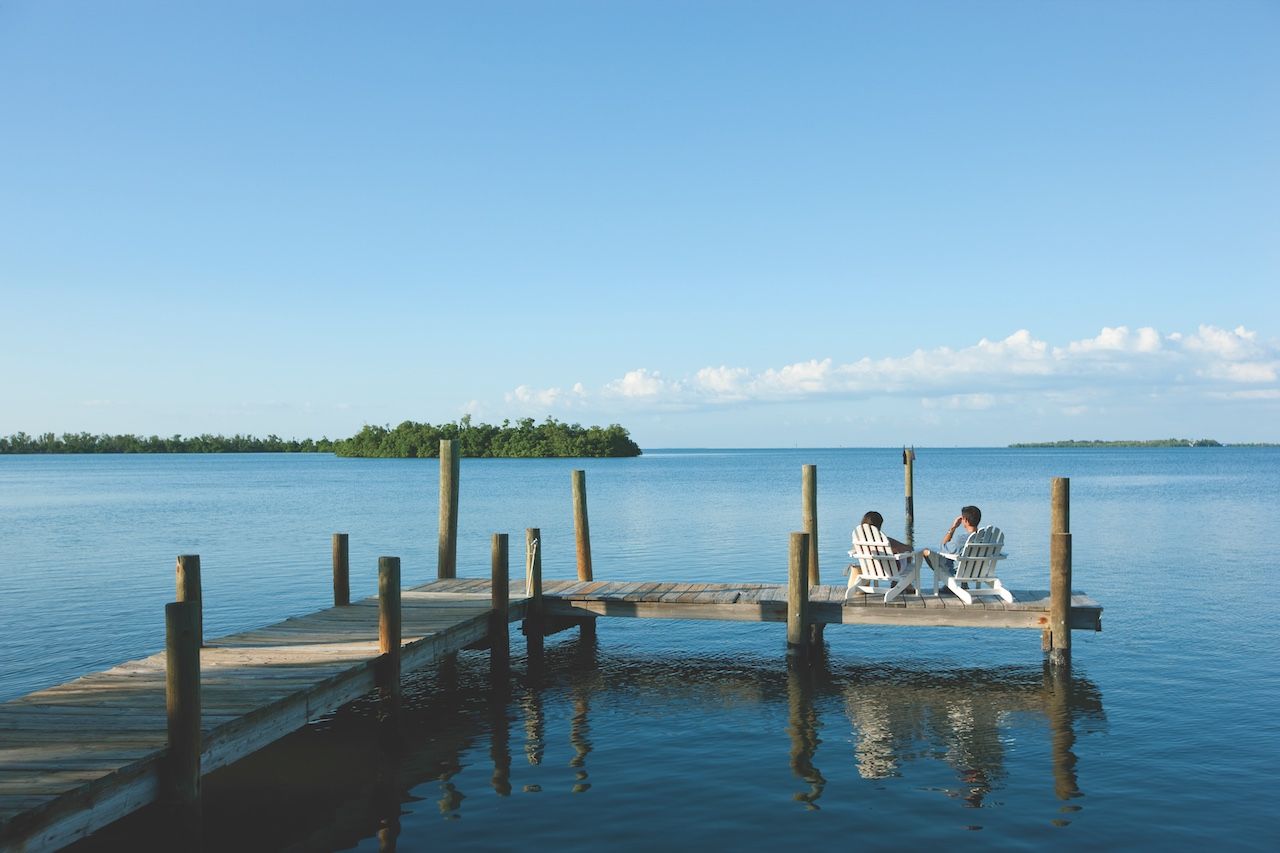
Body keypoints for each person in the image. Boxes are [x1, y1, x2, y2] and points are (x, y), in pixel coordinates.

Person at [852, 511, 916, 593]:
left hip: (869, 569)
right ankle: (899, 583)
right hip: (890, 570)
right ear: (879, 526)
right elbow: (909, 549)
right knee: (907, 554)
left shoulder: (858, 541)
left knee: (894, 553)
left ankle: (906, 585)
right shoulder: (885, 540)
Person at [922, 505, 982, 574]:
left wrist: (953, 527)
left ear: (965, 520)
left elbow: (943, 547)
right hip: (979, 571)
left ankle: (945, 578)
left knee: (926, 551)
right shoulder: (986, 538)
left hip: (960, 572)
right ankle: (961, 584)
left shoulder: (961, 539)